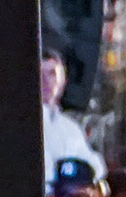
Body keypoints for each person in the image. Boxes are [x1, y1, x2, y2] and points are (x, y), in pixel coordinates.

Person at [41, 54, 99, 183]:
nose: (45, 81)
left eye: (52, 73)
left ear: (63, 80)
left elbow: (96, 168)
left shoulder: (70, 127)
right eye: (39, 74)